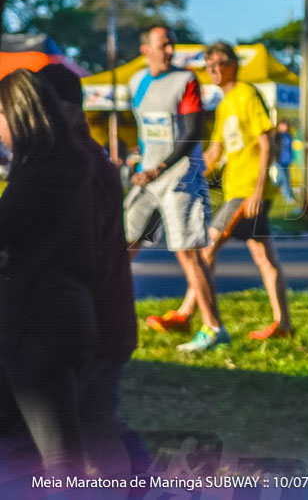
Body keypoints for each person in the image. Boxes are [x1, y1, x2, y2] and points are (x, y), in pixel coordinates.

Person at [35, 64, 143, 475]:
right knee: (96, 427)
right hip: (104, 317)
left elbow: (75, 249)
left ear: (60, 109)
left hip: (95, 321)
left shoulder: (75, 162)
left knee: (94, 430)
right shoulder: (87, 155)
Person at [0, 69, 97, 474]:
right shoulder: (68, 164)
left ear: (18, 114)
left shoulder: (39, 174)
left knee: (61, 460)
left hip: (38, 324)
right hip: (66, 313)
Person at [125, 26, 226, 351]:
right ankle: (113, 316)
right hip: (148, 178)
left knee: (188, 253)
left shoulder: (186, 81)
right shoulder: (135, 82)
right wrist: (140, 161)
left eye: (170, 44)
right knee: (122, 245)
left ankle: (213, 328)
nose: (169, 50)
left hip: (180, 177)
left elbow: (193, 132)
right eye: (163, 44)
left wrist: (160, 167)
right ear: (146, 49)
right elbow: (146, 131)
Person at [200, 42, 293, 340]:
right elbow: (215, 152)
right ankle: (284, 324)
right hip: (236, 190)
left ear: (233, 65)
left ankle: (195, 317)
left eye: (219, 63)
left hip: (248, 191)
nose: (214, 70)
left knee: (206, 251)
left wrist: (257, 190)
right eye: (209, 66)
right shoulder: (224, 104)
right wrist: (187, 175)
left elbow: (267, 143)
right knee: (265, 258)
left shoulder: (247, 95)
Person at [272, 120, 295, 204]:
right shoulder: (277, 135)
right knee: (284, 178)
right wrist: (274, 157)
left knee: (284, 179)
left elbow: (290, 148)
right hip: (279, 160)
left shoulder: (289, 136)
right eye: (283, 125)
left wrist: (291, 158)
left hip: (287, 160)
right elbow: (274, 147)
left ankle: (272, 189)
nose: (285, 127)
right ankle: (289, 197)